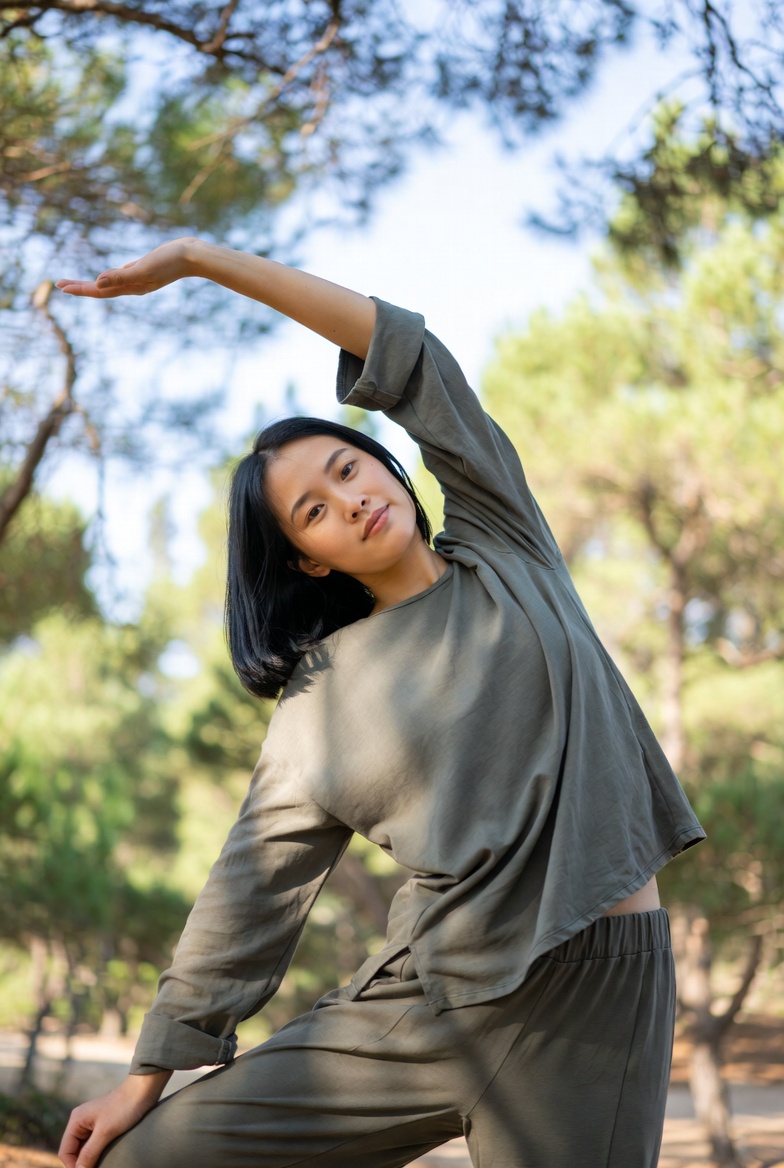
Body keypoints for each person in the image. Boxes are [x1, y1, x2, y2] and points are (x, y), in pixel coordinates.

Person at [56, 239, 705, 1168]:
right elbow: (250, 893)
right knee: (144, 1162)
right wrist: (145, 1077)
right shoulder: (319, 697)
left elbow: (408, 353)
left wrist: (206, 262)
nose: (348, 500)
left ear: (391, 468)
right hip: (427, 1000)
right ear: (309, 561)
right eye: (313, 511)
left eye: (348, 469)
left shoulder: (506, 547)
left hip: (593, 1004)